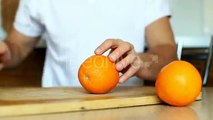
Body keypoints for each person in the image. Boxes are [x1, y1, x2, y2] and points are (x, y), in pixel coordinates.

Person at [0, 0, 177, 87]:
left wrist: (137, 61)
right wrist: (7, 51)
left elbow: (168, 54)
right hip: (57, 111)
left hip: (126, 111)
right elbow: (18, 45)